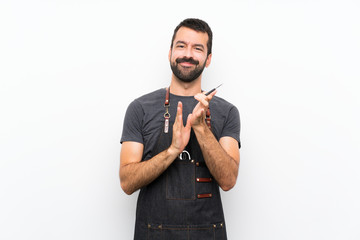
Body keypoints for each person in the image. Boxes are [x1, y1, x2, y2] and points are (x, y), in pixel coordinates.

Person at [119, 18, 241, 240]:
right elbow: (126, 182)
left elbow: (228, 180)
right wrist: (172, 150)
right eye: (181, 46)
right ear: (170, 52)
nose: (188, 54)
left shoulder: (227, 112)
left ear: (208, 58)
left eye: (197, 48)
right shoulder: (140, 109)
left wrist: (200, 128)